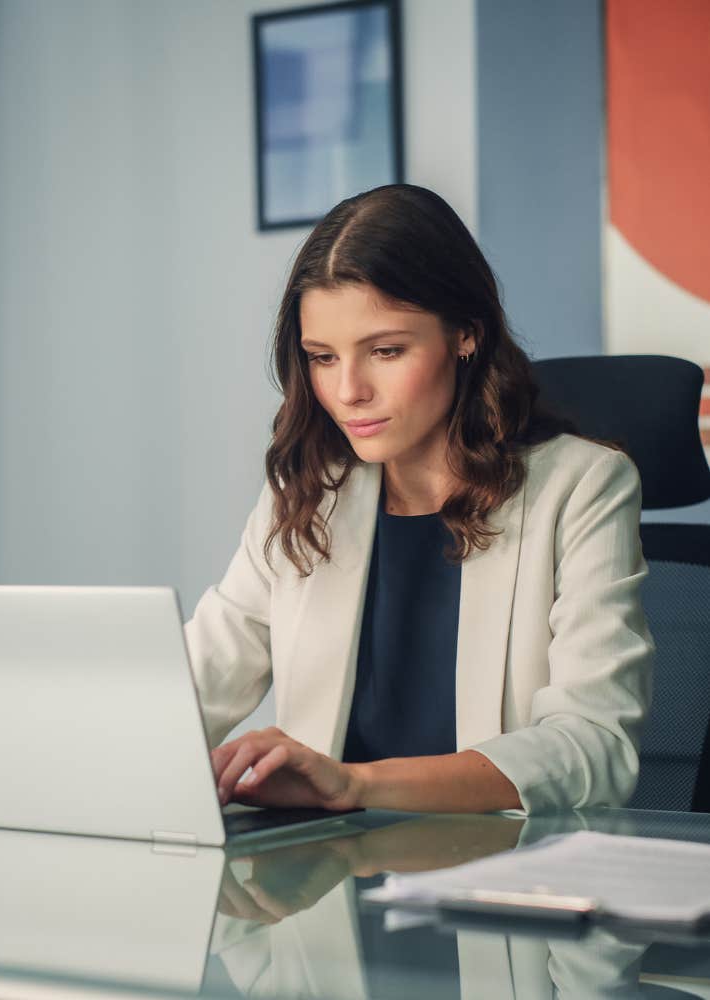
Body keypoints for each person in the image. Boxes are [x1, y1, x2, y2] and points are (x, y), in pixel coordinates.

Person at [184, 184, 653, 816]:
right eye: (322, 357)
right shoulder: (306, 493)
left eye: (385, 351)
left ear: (464, 335)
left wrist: (354, 786)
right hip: (331, 886)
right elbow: (191, 685)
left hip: (498, 879)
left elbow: (594, 746)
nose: (348, 391)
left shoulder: (583, 486)